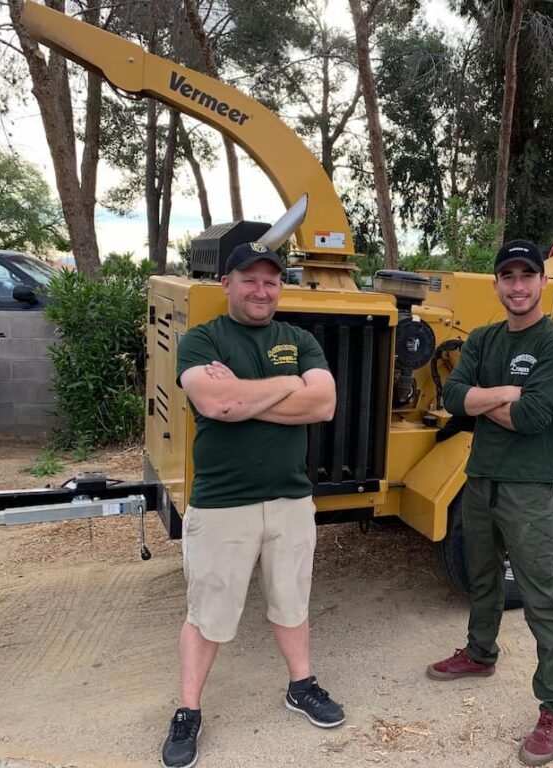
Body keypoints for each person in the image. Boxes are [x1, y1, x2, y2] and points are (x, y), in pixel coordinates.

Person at [162, 241, 343, 768]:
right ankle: (188, 712)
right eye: (250, 279)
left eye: (271, 280)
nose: (261, 290)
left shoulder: (300, 339)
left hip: (290, 499)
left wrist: (246, 400)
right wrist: (286, 389)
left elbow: (325, 404)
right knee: (208, 613)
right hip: (223, 504)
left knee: (293, 601)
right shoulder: (201, 340)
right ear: (227, 283)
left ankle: (301, 685)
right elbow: (216, 401)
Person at [429, 239, 553, 766]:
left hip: (530, 488)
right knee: (483, 576)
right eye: (508, 276)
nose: (517, 286)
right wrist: (505, 393)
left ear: (542, 283)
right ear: (496, 284)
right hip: (481, 478)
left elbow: (532, 418)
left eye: (526, 276)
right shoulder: (485, 338)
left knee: (541, 596)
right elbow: (452, 397)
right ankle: (479, 653)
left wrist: (484, 397)